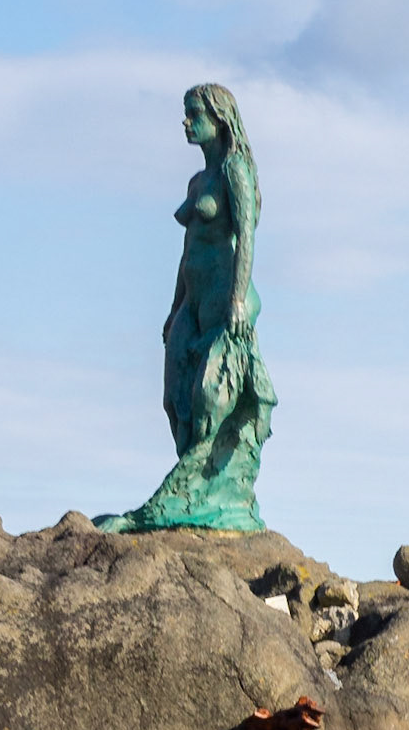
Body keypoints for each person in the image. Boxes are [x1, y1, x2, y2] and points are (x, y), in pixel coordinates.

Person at [97, 84, 275, 533]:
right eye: (186, 112)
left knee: (209, 401)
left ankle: (215, 495)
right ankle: (195, 495)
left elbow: (247, 236)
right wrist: (174, 306)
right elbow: (186, 247)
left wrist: (237, 297)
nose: (186, 121)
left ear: (220, 119)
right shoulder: (197, 181)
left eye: (194, 113)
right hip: (190, 301)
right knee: (174, 399)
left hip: (224, 298)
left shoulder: (236, 170)